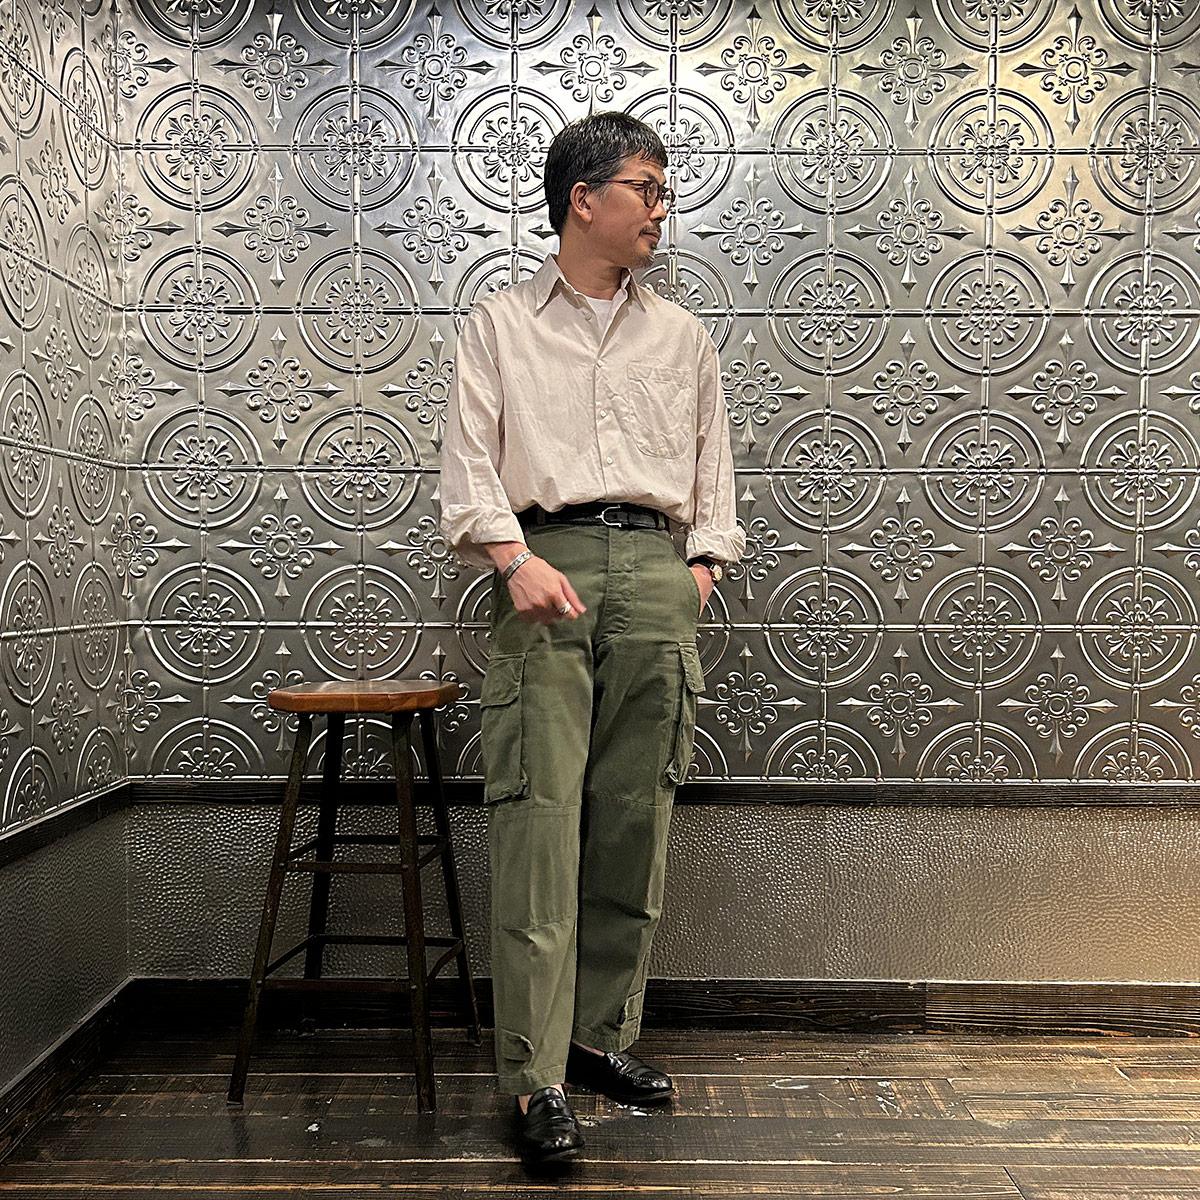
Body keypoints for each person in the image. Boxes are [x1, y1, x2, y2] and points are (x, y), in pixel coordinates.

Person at [438, 111, 745, 1166]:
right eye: (647, 189)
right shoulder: (500, 325)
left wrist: (699, 570)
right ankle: (533, 1077)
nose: (662, 209)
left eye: (663, 192)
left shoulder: (682, 336)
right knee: (538, 821)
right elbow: (468, 464)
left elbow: (713, 468)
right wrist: (512, 560)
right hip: (544, 571)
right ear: (584, 199)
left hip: (657, 574)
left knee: (632, 818)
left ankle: (597, 1039)